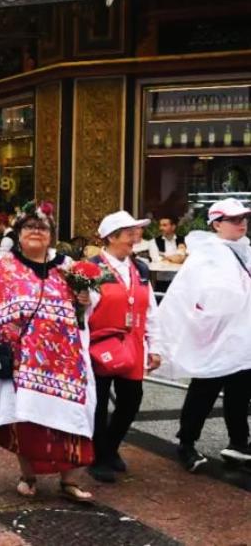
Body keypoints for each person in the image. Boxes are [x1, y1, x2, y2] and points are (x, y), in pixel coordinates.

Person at [0, 201, 96, 503]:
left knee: (69, 420)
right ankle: (27, 476)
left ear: (51, 235)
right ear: (18, 233)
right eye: (29, 227)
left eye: (42, 227)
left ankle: (69, 481)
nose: (36, 232)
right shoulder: (0, 268)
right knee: (26, 421)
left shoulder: (68, 267)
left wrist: (85, 296)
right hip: (21, 365)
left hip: (66, 365)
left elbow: (86, 305)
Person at [155, 198, 251, 472]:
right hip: (215, 338)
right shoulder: (207, 254)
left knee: (240, 393)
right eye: (234, 219)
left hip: (242, 339)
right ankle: (186, 442)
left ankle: (239, 443)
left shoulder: (245, 250)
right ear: (217, 224)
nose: (241, 223)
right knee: (204, 391)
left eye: (243, 218)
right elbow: (186, 295)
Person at [85, 211, 163, 483]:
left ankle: (109, 446)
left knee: (131, 401)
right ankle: (97, 456)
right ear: (111, 237)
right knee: (98, 403)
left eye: (136, 232)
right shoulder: (92, 269)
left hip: (131, 346)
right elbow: (82, 311)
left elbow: (150, 309)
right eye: (129, 233)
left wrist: (155, 346)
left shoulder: (140, 268)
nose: (135, 237)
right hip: (99, 347)